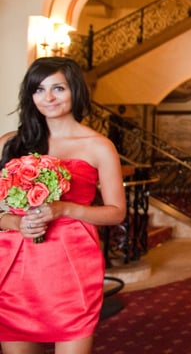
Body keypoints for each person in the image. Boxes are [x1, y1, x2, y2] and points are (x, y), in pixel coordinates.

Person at [0, 56, 126, 354]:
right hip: (16, 264)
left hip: (70, 265)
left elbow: (116, 212)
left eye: (58, 88)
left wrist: (65, 209)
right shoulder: (11, 143)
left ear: (75, 91)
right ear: (30, 95)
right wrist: (16, 222)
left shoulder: (98, 146)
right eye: (39, 90)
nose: (49, 98)